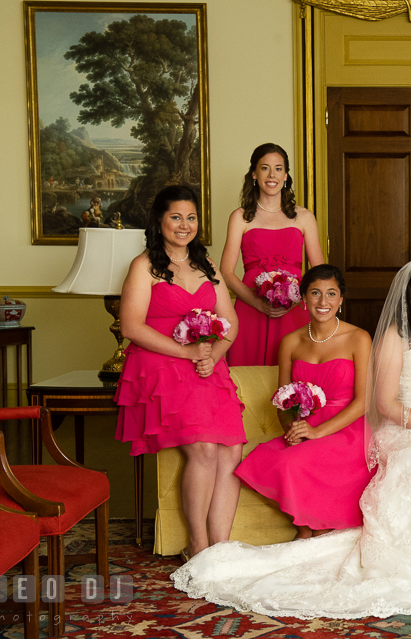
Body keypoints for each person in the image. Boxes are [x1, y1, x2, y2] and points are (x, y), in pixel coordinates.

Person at [172, 257, 411, 619]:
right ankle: (303, 528)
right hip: (388, 423)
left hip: (391, 423)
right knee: (277, 460)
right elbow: (313, 398)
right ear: (303, 298)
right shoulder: (377, 337)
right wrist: (293, 421)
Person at [115, 185, 246, 563]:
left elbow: (231, 322)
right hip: (160, 361)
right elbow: (131, 326)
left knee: (232, 448)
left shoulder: (207, 265)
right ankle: (198, 546)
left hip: (206, 362)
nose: (184, 225)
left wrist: (213, 353)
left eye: (191, 217)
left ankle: (219, 549)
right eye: (176, 217)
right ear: (159, 221)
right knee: (204, 448)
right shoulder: (145, 266)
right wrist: (188, 352)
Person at [234, 264, 375, 537]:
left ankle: (310, 532)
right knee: (271, 458)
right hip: (305, 427)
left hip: (348, 430)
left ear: (341, 299)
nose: (324, 302)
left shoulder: (358, 337)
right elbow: (282, 400)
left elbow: (364, 402)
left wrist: (317, 431)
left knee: (293, 463)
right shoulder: (290, 342)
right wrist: (291, 430)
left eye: (331, 294)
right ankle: (309, 532)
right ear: (303, 298)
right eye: (315, 293)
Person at [222, 143, 325, 366]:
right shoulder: (240, 217)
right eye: (265, 168)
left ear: (286, 175)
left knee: (296, 376)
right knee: (249, 376)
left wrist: (297, 298)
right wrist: (257, 303)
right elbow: (226, 272)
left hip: (295, 310)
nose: (272, 175)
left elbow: (320, 273)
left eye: (278, 168)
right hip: (251, 309)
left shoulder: (304, 217)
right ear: (254, 174)